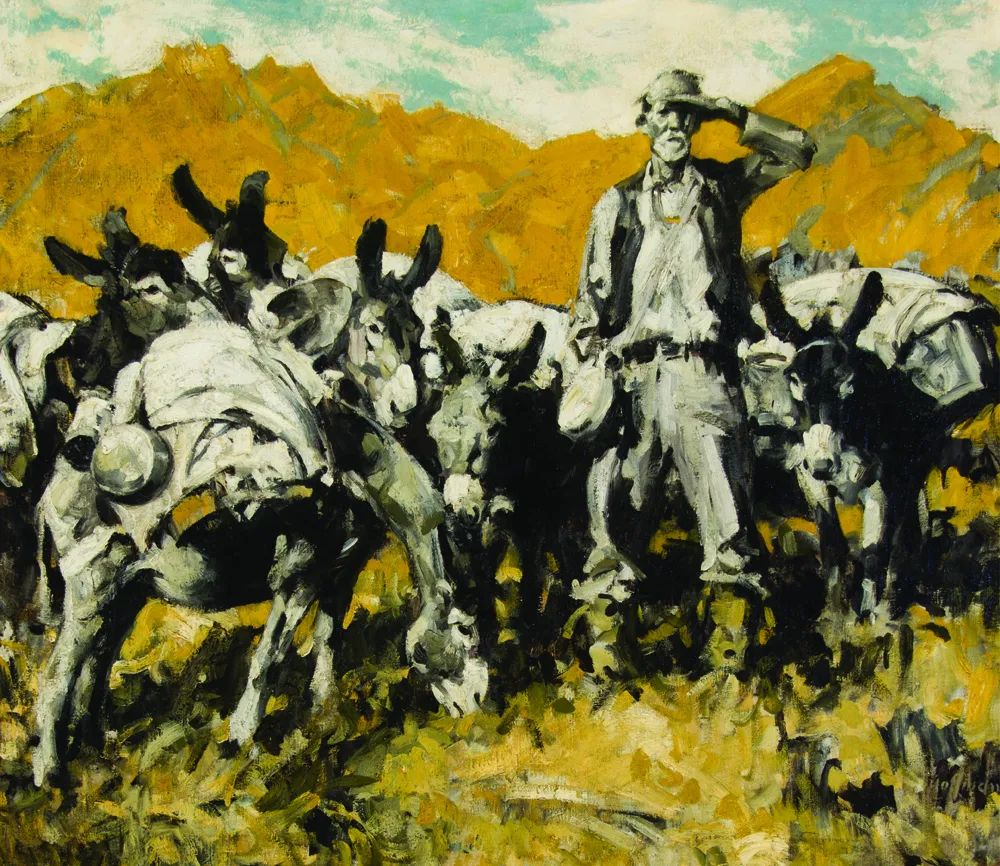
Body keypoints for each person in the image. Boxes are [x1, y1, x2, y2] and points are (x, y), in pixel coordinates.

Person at [563, 68, 817, 595]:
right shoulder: (617, 204)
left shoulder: (724, 187)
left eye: (687, 114)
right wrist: (592, 371)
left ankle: (732, 635)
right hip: (634, 381)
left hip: (706, 376)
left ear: (698, 124)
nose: (676, 124)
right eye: (665, 112)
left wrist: (728, 110)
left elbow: (799, 149)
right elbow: (589, 302)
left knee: (731, 546)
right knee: (616, 548)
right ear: (645, 121)